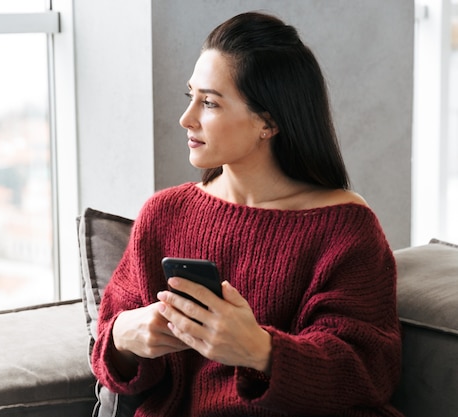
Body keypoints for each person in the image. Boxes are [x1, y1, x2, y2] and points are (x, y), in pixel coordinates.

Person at [91, 11, 403, 417]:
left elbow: (367, 372)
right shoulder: (164, 214)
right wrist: (123, 338)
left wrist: (260, 351)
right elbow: (107, 354)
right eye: (191, 97)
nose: (187, 119)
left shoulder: (344, 228)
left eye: (210, 103)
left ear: (268, 122)